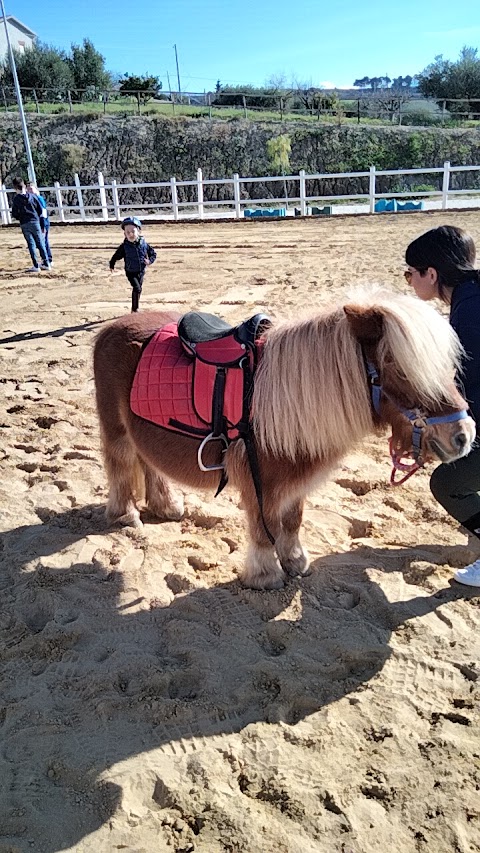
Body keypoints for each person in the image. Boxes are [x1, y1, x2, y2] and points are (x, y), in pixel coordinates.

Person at [405, 225, 480, 587]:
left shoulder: (469, 310)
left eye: (410, 273)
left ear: (431, 274)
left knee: (448, 483)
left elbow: (474, 384)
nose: (409, 281)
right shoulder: (471, 297)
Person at [109, 216, 156, 312]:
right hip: (130, 271)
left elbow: (153, 254)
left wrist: (150, 261)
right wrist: (112, 264)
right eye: (127, 232)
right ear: (124, 234)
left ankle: (135, 305)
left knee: (139, 289)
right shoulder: (124, 246)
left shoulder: (144, 243)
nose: (130, 234)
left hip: (141, 270)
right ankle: (134, 309)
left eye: (133, 231)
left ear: (139, 231)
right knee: (137, 288)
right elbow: (116, 256)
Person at [10, 176, 50, 272]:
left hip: (25, 223)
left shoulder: (16, 199)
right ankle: (46, 263)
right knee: (40, 242)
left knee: (31, 244)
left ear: (15, 188)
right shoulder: (33, 196)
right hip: (35, 221)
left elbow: (14, 213)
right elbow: (40, 210)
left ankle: (36, 265)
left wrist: (20, 217)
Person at [26, 181, 53, 266]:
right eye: (28, 189)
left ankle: (47, 260)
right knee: (43, 242)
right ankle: (48, 259)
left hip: (43, 223)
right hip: (39, 223)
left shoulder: (39, 199)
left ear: (35, 189)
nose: (29, 191)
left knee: (43, 242)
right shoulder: (33, 199)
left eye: (31, 189)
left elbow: (43, 213)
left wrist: (43, 225)